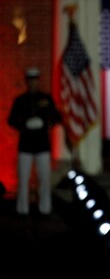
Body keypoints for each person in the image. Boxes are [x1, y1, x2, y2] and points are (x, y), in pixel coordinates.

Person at [8, 67, 62, 216]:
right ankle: (22, 209)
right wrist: (24, 123)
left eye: (35, 80)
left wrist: (46, 123)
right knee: (23, 179)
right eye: (30, 81)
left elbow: (57, 117)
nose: (33, 83)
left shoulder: (46, 98)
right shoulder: (20, 101)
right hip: (25, 145)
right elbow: (11, 120)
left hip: (42, 145)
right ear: (27, 82)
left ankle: (45, 208)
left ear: (38, 81)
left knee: (44, 179)